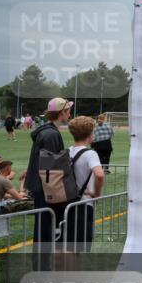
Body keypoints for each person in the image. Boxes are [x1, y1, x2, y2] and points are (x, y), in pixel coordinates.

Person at [24, 97, 73, 255]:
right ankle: (42, 269)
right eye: (68, 110)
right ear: (62, 112)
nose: (70, 113)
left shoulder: (48, 131)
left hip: (41, 188)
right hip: (45, 190)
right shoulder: (50, 134)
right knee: (45, 231)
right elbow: (52, 169)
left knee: (44, 229)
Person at [65, 116, 105, 251]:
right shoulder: (90, 154)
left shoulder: (67, 151)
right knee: (82, 245)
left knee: (69, 244)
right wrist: (96, 193)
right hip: (84, 202)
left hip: (67, 202)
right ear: (89, 135)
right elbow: (99, 174)